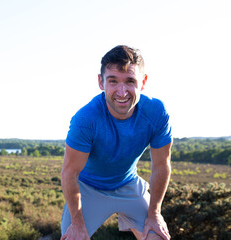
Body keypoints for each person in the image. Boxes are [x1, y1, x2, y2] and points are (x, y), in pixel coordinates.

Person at [60, 45, 172, 240]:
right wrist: (77, 224)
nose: (122, 92)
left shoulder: (156, 113)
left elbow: (161, 165)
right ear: (101, 82)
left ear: (143, 82)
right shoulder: (86, 119)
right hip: (87, 189)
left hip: (128, 184)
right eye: (113, 81)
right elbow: (70, 173)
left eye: (130, 81)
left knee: (157, 237)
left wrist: (155, 214)